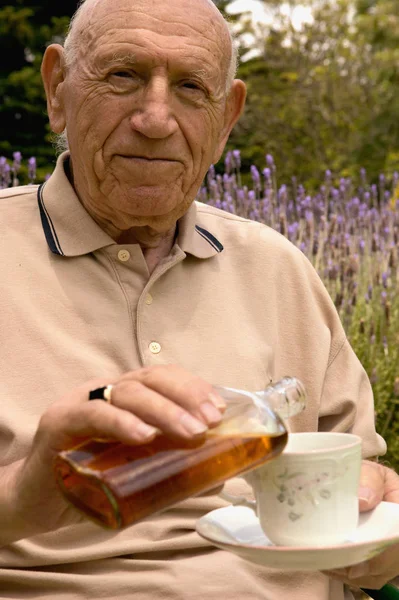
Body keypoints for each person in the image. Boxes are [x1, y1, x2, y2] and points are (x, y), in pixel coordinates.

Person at [0, 0, 398, 598]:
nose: (156, 118)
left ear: (227, 118)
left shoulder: (278, 268)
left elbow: (368, 508)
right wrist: (24, 496)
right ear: (58, 90)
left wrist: (374, 529)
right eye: (123, 75)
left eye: (191, 87)